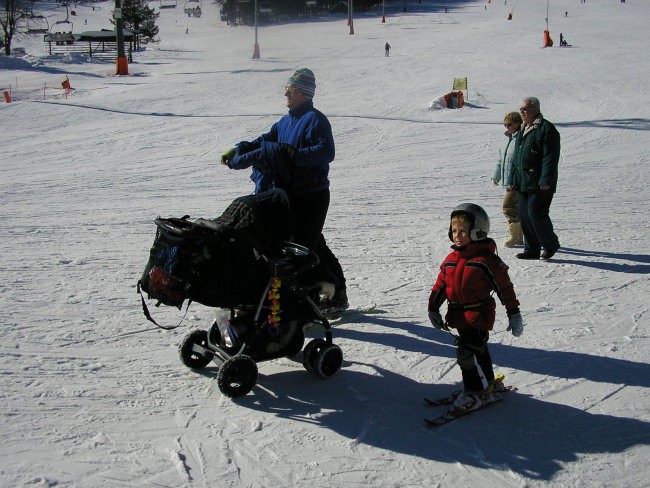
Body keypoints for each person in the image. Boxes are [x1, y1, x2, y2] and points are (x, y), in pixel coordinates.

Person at [220, 68, 348, 312]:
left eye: (290, 90)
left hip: (312, 195)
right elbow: (263, 141)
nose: (286, 94)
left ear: (303, 93)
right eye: (287, 89)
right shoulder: (285, 121)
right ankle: (332, 294)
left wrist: (294, 155)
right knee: (309, 244)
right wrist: (239, 149)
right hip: (290, 195)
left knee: (303, 248)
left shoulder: (315, 119)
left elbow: (326, 152)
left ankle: (328, 296)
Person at [427, 204, 524, 411]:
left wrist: (513, 313)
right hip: (458, 315)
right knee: (479, 351)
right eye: (454, 231)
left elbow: (504, 288)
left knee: (466, 353)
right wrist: (433, 308)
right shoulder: (451, 259)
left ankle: (475, 392)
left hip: (478, 314)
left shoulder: (487, 260)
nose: (457, 236)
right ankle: (487, 384)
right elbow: (441, 286)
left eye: (463, 231)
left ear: (477, 231)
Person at [509, 97, 561, 260]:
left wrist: (545, 179)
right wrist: (513, 179)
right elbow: (516, 157)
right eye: (521, 109)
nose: (522, 112)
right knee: (524, 215)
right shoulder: (523, 128)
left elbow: (550, 157)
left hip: (540, 183)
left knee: (536, 213)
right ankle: (531, 249)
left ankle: (550, 244)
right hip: (524, 181)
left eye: (525, 109)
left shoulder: (546, 129)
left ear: (535, 109)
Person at [492, 111, 523, 247]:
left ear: (518, 123)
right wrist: (496, 176)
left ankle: (516, 236)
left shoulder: (521, 140)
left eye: (509, 124)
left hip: (516, 182)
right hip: (508, 182)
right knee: (517, 208)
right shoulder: (507, 142)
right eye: (505, 125)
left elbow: (519, 163)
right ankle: (520, 235)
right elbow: (501, 161)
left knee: (508, 206)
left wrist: (514, 181)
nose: (507, 127)